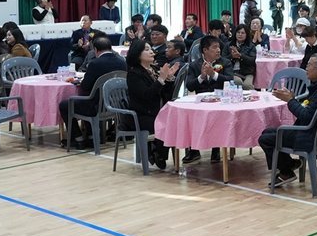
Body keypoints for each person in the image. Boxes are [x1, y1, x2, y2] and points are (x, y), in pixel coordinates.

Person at [259, 53, 317, 185]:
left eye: (309, 65)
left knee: (265, 139)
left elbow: (306, 116)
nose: (306, 68)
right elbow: (309, 110)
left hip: (308, 136)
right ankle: (289, 164)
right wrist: (293, 100)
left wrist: (290, 101)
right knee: (267, 132)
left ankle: (286, 172)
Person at [56, 37, 125, 144]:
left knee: (65, 105)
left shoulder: (95, 64)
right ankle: (91, 135)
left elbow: (85, 86)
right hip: (116, 104)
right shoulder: (122, 62)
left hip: (97, 107)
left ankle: (77, 138)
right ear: (110, 48)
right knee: (87, 99)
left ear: (95, 50)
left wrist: (79, 82)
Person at [125, 41, 180, 170]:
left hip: (157, 111)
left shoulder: (154, 69)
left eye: (150, 49)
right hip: (142, 114)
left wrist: (168, 79)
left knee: (176, 120)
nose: (151, 52)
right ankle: (158, 153)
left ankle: (158, 152)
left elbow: (166, 94)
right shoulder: (134, 74)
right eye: (146, 49)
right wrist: (161, 79)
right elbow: (147, 96)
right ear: (137, 54)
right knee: (166, 123)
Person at [182, 36, 233, 163]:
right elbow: (189, 86)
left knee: (217, 116)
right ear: (205, 50)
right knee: (189, 116)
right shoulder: (195, 65)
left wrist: (213, 74)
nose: (218, 50)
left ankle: (216, 149)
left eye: (219, 47)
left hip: (220, 101)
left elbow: (230, 81)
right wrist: (202, 76)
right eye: (214, 47)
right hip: (201, 101)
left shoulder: (225, 62)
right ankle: (193, 150)